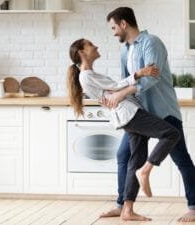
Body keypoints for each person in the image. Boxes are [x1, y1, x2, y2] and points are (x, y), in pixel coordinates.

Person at [67, 38, 180, 221]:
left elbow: (113, 90)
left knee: (135, 161)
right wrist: (140, 73)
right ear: (81, 52)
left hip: (129, 114)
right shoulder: (85, 75)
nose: (96, 45)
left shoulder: (88, 74)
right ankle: (147, 170)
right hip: (131, 114)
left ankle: (127, 209)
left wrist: (122, 89)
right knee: (171, 133)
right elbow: (116, 87)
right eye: (90, 44)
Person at [99, 6, 195, 223]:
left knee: (181, 159)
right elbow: (126, 80)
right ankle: (122, 205)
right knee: (124, 155)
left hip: (163, 110)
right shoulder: (125, 50)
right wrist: (112, 96)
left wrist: (122, 93)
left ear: (124, 24)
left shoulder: (152, 43)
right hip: (139, 114)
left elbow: (152, 79)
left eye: (114, 27)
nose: (113, 32)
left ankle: (194, 206)